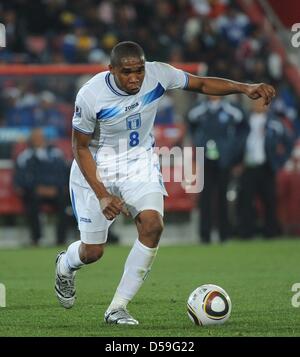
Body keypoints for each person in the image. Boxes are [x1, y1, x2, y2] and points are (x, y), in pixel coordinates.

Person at [54, 41, 275, 325]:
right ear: (111, 70)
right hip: (97, 168)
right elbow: (79, 148)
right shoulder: (90, 96)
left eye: (139, 70)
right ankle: (65, 264)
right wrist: (102, 195)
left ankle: (117, 307)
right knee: (93, 251)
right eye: (127, 72)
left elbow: (202, 85)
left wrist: (244, 88)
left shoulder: (158, 74)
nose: (135, 77)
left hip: (139, 164)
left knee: (152, 225)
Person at [187, 95, 249, 243]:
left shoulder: (233, 110)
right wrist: (198, 146)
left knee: (223, 196)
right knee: (205, 199)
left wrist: (234, 152)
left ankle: (224, 234)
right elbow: (191, 127)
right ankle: (205, 234)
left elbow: (243, 131)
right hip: (205, 159)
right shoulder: (198, 109)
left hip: (224, 160)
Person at [237, 97, 294, 239]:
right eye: (255, 102)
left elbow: (289, 141)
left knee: (269, 200)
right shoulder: (244, 121)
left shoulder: (274, 122)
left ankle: (270, 232)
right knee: (246, 201)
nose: (257, 105)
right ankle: (246, 233)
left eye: (261, 102)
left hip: (266, 166)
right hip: (248, 166)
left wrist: (280, 161)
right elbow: (236, 142)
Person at [14, 128, 69, 246]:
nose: (38, 140)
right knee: (31, 204)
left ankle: (61, 240)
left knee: (66, 205)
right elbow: (20, 178)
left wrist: (57, 188)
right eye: (35, 138)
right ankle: (36, 239)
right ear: (31, 140)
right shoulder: (25, 156)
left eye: (40, 137)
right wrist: (36, 188)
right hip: (35, 192)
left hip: (55, 191)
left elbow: (64, 173)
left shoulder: (56, 153)